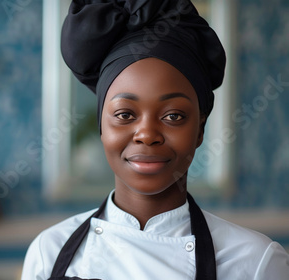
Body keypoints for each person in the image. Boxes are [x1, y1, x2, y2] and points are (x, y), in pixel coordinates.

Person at [22, 0, 289, 279]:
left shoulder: (256, 261)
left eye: (173, 116)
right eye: (125, 114)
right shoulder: (49, 252)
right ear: (101, 126)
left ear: (200, 130)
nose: (147, 135)